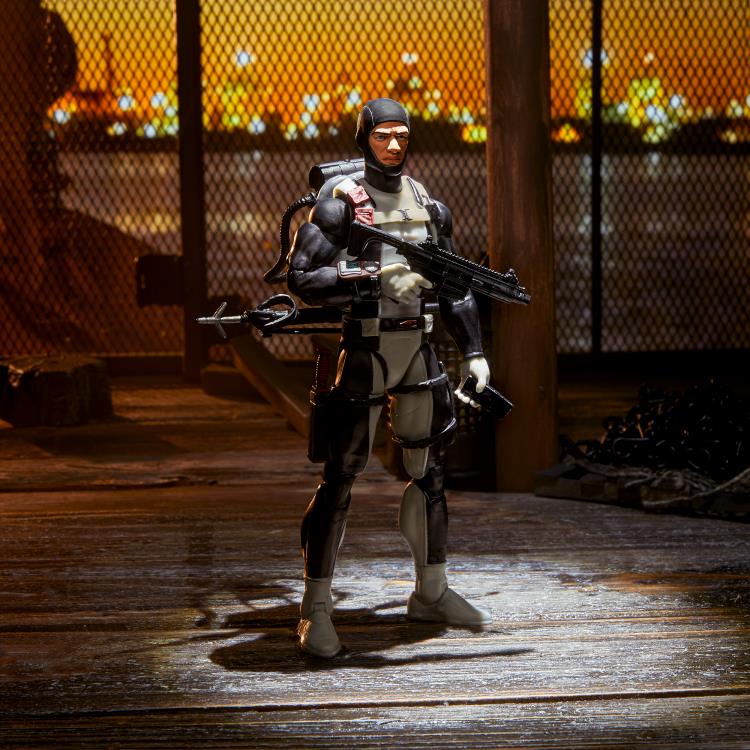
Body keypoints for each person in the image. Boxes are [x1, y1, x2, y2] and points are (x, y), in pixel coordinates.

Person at [286, 98, 492, 658]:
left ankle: (431, 591)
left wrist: (474, 352)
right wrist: (375, 276)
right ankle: (316, 607)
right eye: (383, 136)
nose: (394, 145)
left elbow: (455, 284)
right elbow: (302, 278)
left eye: (402, 135)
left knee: (429, 474)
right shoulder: (340, 207)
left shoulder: (429, 206)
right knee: (341, 477)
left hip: (417, 349)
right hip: (367, 347)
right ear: (365, 140)